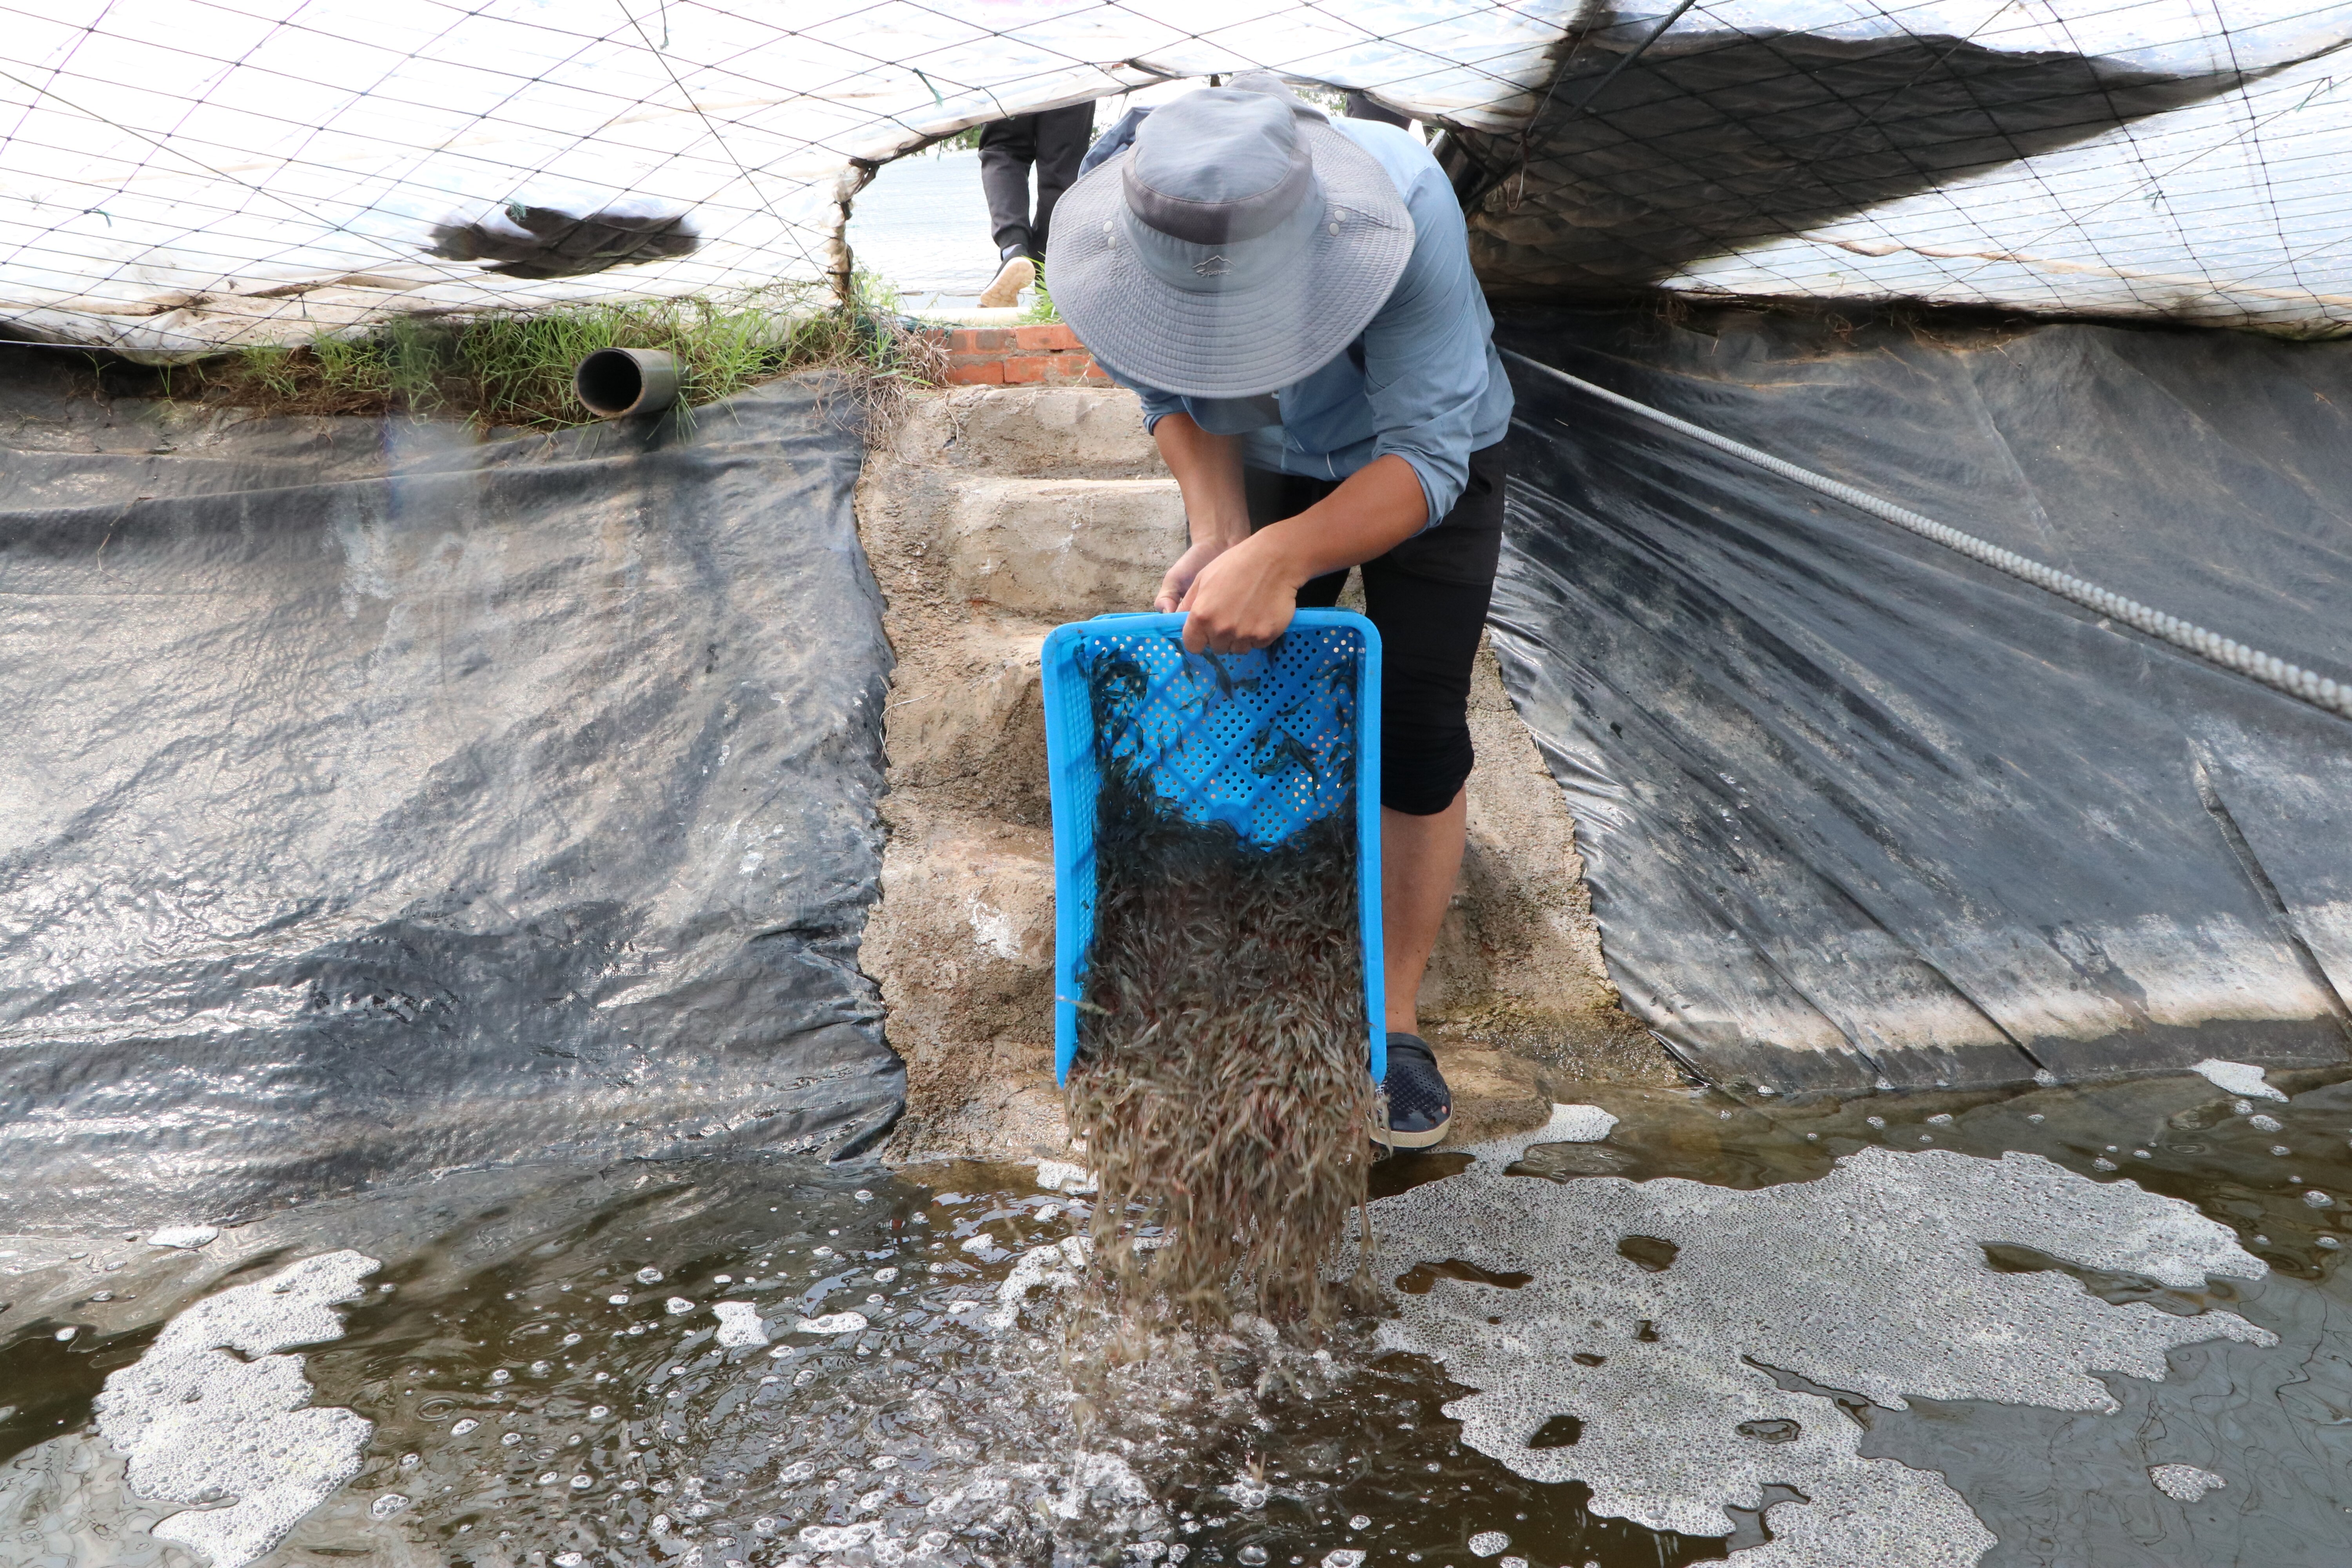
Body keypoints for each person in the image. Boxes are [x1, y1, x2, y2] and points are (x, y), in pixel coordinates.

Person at [1047, 74, 1513, 1149]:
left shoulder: (1403, 203)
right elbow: (1168, 393)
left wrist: (1290, 553)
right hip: (1259, 449)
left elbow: (1430, 458)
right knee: (1237, 696)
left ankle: (1390, 1018)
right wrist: (1222, 531)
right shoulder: (1116, 214)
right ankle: (1255, 968)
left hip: (1416, 452)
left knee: (1417, 727)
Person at [976, 103, 1096, 307]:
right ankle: (1051, 280)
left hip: (1007, 74)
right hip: (1072, 74)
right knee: (1064, 167)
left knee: (1003, 147)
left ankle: (1013, 249)